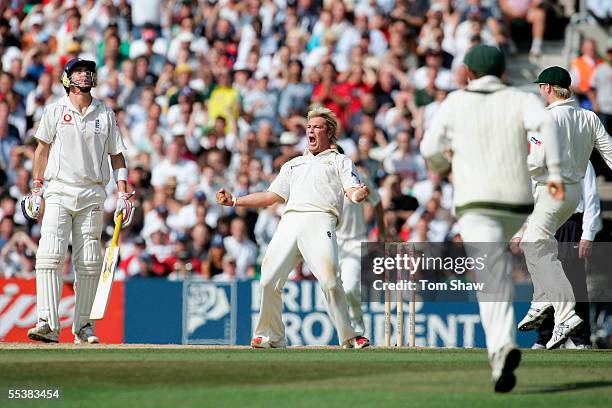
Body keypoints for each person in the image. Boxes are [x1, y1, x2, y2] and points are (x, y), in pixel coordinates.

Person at [420, 45, 563, 393]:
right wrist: (556, 170)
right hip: (516, 204)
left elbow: (428, 150)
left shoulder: (455, 101)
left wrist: (443, 164)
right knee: (498, 270)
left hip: (477, 204)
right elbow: (546, 120)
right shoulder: (520, 97)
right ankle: (505, 354)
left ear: (468, 72)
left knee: (490, 278)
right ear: (502, 72)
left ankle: (501, 348)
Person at [216, 106, 370, 349]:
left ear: (329, 133)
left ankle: (349, 336)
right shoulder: (293, 164)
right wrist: (235, 200)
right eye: (309, 127)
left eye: (317, 127)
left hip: (321, 220)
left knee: (330, 281)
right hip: (289, 222)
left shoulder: (340, 160)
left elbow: (352, 190)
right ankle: (271, 336)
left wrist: (358, 195)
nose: (311, 130)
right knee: (268, 280)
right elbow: (270, 196)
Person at [22, 58, 134, 344]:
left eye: (88, 72)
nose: (85, 75)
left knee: (89, 262)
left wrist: (123, 193)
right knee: (50, 255)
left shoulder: (105, 113)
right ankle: (47, 322)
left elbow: (117, 156)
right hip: (59, 190)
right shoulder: (55, 110)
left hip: (92, 193)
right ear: (67, 78)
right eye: (79, 71)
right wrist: (36, 188)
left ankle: (83, 327)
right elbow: (42, 150)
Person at [514, 66, 612, 349]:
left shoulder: (545, 119)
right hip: (571, 196)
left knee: (537, 250)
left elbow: (537, 161)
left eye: (540, 88)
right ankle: (547, 310)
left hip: (550, 194)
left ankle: (564, 313)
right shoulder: (588, 117)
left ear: (546, 88)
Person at [531, 162, 601, 349]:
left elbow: (591, 196)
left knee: (574, 281)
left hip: (571, 224)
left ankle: (581, 339)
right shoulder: (540, 158)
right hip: (545, 223)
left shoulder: (582, 159)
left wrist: (588, 234)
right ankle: (544, 337)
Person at [336, 161, 385, 334]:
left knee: (350, 288)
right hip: (330, 243)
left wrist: (381, 232)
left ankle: (357, 329)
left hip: (355, 242)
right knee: (330, 290)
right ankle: (345, 334)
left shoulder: (359, 178)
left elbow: (377, 202)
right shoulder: (319, 181)